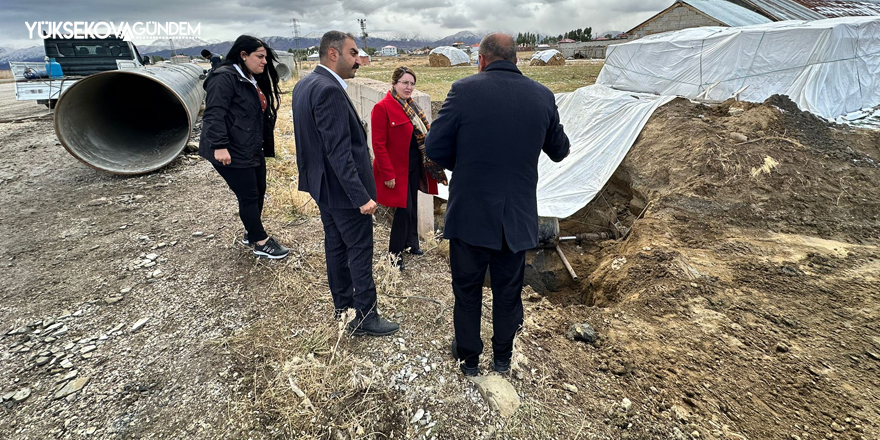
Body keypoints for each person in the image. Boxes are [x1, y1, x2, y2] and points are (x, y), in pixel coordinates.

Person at [425, 33, 570, 376]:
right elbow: (560, 150)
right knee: (508, 291)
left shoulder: (464, 90)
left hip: (470, 212)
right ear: (516, 59)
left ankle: (469, 360)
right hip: (517, 216)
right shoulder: (543, 96)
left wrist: (464, 161)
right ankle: (502, 358)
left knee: (467, 289)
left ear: (481, 58)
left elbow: (434, 148)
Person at [292, 31, 400, 336]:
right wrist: (361, 196)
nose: (359, 61)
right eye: (353, 53)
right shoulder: (328, 90)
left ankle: (344, 307)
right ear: (333, 54)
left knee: (336, 247)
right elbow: (338, 150)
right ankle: (366, 316)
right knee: (359, 250)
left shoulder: (305, 84)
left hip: (323, 187)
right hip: (342, 191)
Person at [198, 35, 289, 259]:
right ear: (243, 55)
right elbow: (214, 114)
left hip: (249, 146)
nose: (264, 62)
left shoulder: (248, 77)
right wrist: (220, 146)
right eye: (260, 56)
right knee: (248, 195)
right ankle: (261, 241)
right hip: (231, 149)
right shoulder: (224, 78)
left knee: (258, 191)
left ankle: (251, 232)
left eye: (265, 57)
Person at [370, 66, 446, 270]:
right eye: (405, 82)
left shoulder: (411, 106)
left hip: (414, 166)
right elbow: (378, 144)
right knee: (403, 211)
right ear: (394, 83)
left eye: (412, 83)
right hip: (396, 171)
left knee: (412, 208)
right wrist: (388, 173)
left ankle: (411, 244)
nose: (409, 87)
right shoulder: (382, 107)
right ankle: (394, 255)